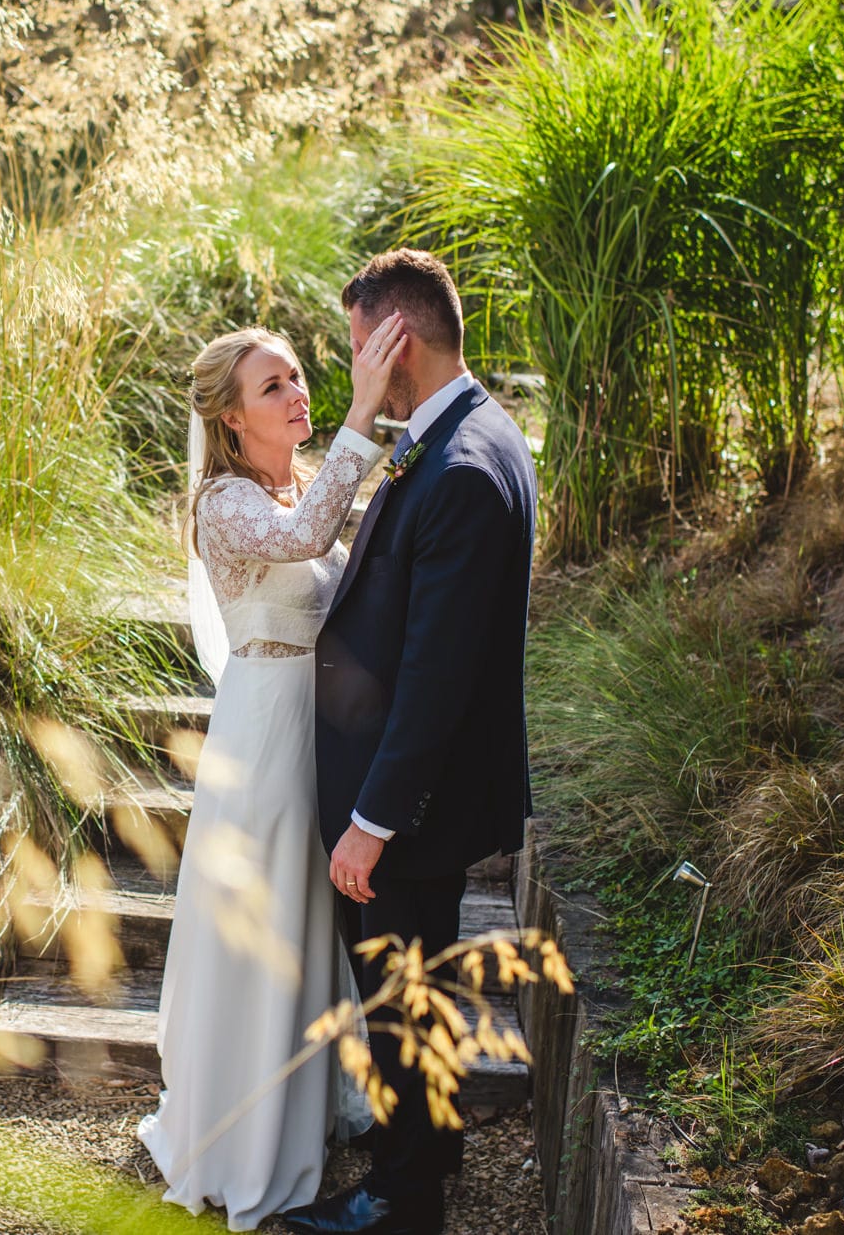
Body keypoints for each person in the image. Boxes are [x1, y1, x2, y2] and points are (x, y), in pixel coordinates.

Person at [284, 248, 537, 1235]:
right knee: (413, 990)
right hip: (407, 798)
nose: (351, 369)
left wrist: (370, 821)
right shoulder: (458, 434)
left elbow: (434, 677)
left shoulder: (465, 467)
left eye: (358, 348)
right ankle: (422, 1158)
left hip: (405, 807)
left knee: (397, 998)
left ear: (396, 342)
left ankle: (400, 1200)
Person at [139, 317, 408, 1230]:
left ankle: (302, 1106)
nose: (298, 393)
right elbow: (303, 537)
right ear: (229, 418)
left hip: (318, 728)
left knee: (306, 916)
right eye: (273, 387)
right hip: (264, 731)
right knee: (262, 920)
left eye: (297, 377)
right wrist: (366, 415)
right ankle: (243, 1139)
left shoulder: (295, 480)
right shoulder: (224, 502)